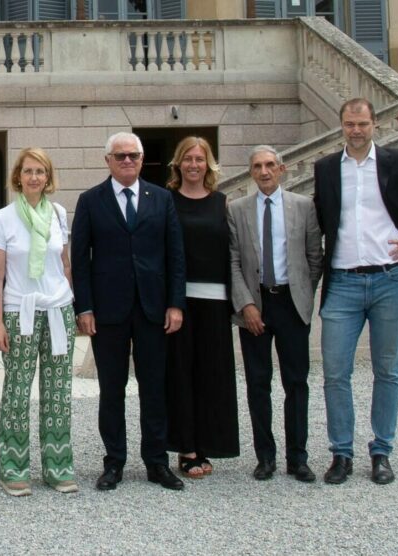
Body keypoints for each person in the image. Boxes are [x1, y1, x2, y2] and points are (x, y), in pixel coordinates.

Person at [313, 98, 398, 485]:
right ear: (341, 126)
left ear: (375, 125)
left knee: (387, 371)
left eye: (362, 124)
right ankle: (341, 453)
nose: (355, 131)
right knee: (335, 372)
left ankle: (381, 452)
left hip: (391, 278)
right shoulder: (326, 169)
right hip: (342, 283)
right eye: (349, 124)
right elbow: (320, 220)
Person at [72, 131, 187, 492]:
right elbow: (80, 259)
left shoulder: (161, 198)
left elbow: (175, 255)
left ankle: (156, 462)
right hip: (108, 311)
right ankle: (114, 463)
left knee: (154, 388)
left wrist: (175, 303)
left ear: (141, 159)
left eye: (133, 156)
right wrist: (85, 307)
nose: (126, 161)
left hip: (154, 308)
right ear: (107, 160)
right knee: (112, 389)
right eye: (119, 156)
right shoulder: (91, 200)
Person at [0, 147, 76, 496]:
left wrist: (71, 303)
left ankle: (57, 464)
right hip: (18, 311)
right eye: (28, 171)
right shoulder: (4, 218)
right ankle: (13, 465)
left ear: (48, 177)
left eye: (40, 171)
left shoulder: (58, 214)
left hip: (57, 310)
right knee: (17, 392)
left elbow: (64, 264)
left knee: (58, 393)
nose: (34, 177)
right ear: (18, 177)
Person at [230, 145, 324, 483]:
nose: (264, 171)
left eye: (270, 165)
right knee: (258, 383)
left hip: (291, 303)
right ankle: (265, 457)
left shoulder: (302, 206)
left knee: (296, 383)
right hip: (254, 305)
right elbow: (232, 261)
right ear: (251, 172)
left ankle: (298, 458)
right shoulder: (237, 209)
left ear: (281, 169)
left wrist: (303, 296)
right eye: (257, 166)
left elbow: (315, 257)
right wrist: (246, 305)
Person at [162, 137, 238, 479]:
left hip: (216, 303)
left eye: (200, 159)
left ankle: (207, 443)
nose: (194, 164)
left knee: (212, 375)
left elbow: (234, 253)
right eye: (188, 159)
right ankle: (186, 447)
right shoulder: (167, 202)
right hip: (180, 302)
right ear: (178, 164)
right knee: (181, 374)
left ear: (209, 164)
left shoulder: (222, 203)